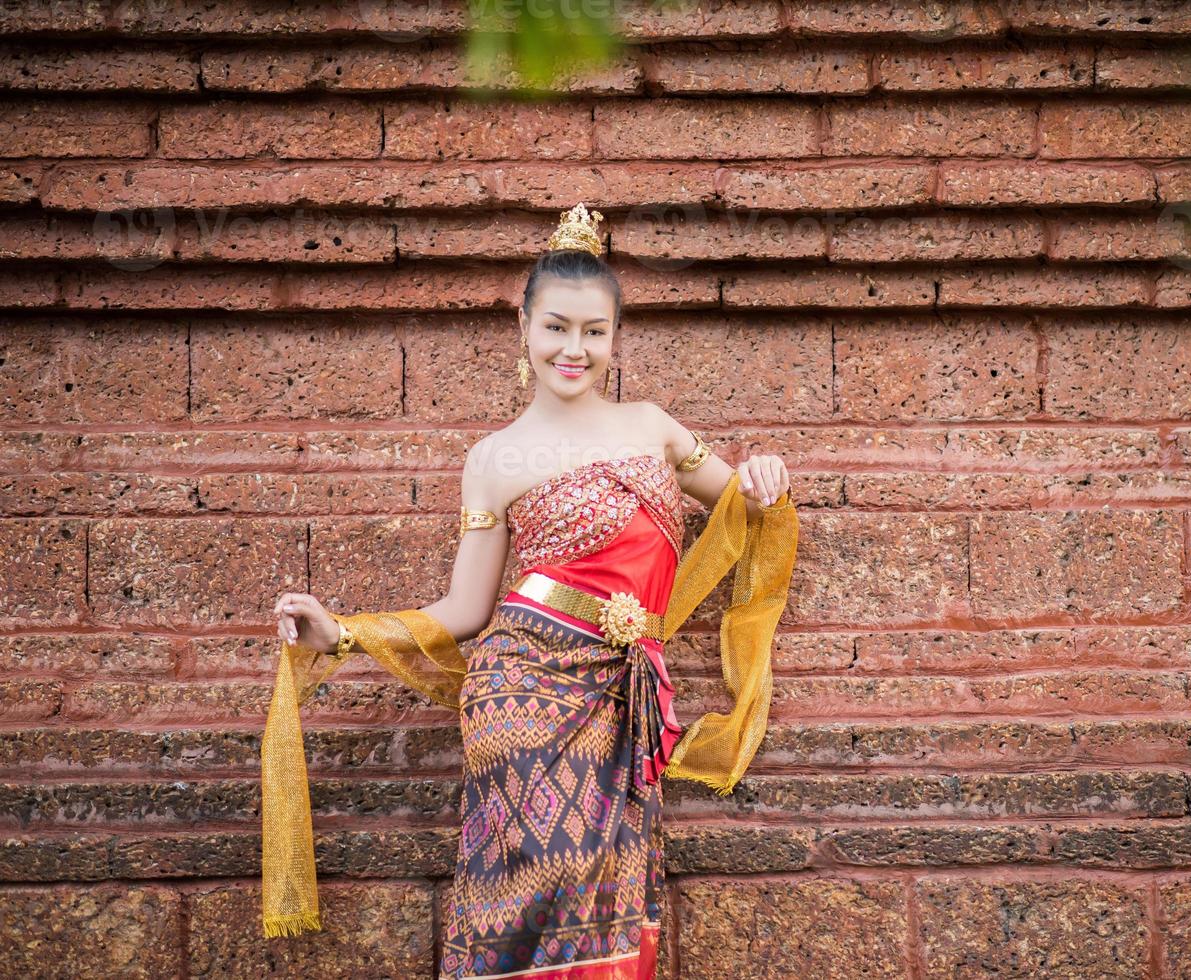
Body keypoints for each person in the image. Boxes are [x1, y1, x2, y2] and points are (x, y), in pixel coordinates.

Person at [259, 203, 799, 979]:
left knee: (606, 884)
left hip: (622, 694)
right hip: (521, 686)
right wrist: (340, 633)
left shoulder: (654, 428)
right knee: (540, 872)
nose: (573, 349)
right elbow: (466, 611)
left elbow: (746, 507)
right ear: (523, 326)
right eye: (555, 327)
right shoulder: (494, 458)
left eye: (592, 331)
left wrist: (763, 475)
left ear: (615, 337)